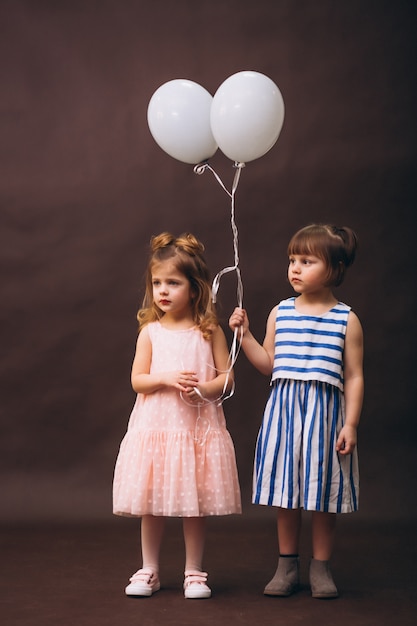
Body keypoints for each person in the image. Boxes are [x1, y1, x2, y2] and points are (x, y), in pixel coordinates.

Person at [229, 224, 364, 599]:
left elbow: (353, 377)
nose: (295, 268)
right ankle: (287, 566)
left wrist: (350, 423)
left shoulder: (346, 319)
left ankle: (321, 568)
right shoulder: (280, 312)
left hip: (325, 416)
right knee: (286, 496)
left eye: (307, 261)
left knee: (324, 496)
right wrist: (246, 336)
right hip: (285, 415)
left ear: (335, 268)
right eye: (292, 260)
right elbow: (268, 364)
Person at [113, 232, 241, 600]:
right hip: (157, 429)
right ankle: (149, 569)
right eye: (157, 283)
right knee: (150, 504)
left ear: (196, 288)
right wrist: (166, 379)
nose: (163, 291)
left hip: (194, 431)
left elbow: (227, 375)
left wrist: (204, 388)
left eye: (173, 282)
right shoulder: (150, 333)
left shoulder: (208, 330)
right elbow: (138, 380)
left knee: (193, 503)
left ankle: (194, 571)